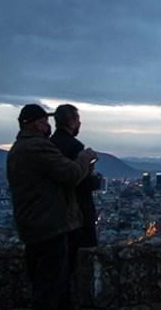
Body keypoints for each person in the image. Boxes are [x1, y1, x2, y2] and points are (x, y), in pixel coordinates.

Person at [7, 104, 97, 309]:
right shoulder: (38, 147)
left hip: (30, 225)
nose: (48, 126)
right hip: (49, 225)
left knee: (44, 284)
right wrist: (85, 158)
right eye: (44, 122)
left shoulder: (16, 149)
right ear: (36, 124)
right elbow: (72, 174)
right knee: (52, 288)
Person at [50, 104, 104, 272]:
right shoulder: (75, 147)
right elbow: (81, 180)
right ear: (72, 122)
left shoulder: (50, 145)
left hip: (56, 212)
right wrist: (96, 179)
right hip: (78, 212)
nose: (80, 124)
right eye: (78, 120)